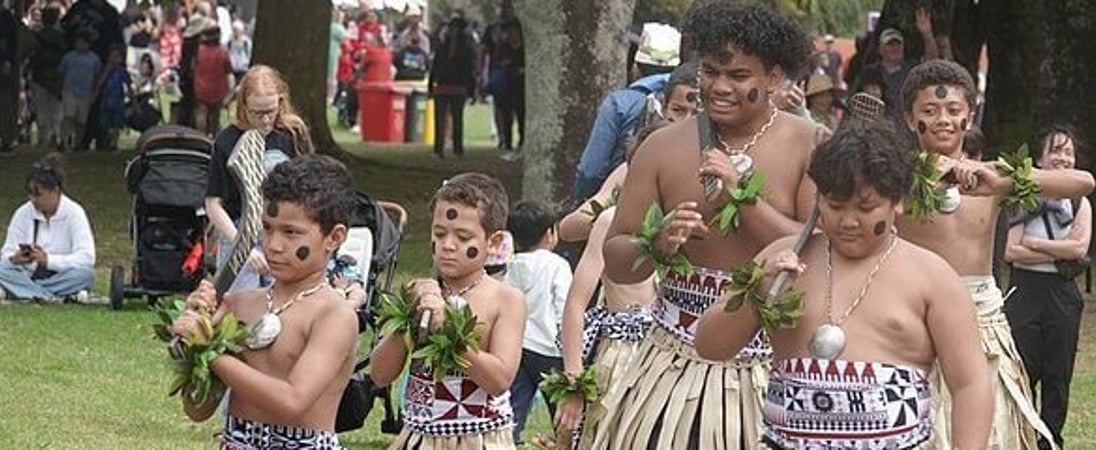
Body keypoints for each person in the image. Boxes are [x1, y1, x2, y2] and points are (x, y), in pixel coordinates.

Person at [589, 3, 818, 448]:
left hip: (769, 364)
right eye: (711, 72)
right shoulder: (661, 147)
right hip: (670, 365)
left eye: (737, 76)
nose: (719, 87)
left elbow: (813, 248)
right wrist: (655, 243)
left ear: (773, 78)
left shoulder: (807, 144)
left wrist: (741, 194)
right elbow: (616, 262)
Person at [694, 119, 993, 448]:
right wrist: (756, 295)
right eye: (834, 206)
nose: (848, 221)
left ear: (898, 202)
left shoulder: (931, 276)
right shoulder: (781, 260)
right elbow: (710, 346)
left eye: (866, 208)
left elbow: (970, 383)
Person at [894, 59, 1094, 449]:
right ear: (908, 118)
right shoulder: (895, 177)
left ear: (969, 117)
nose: (943, 120)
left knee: (990, 432)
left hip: (980, 323)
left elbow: (1083, 182)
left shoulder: (993, 176)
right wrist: (924, 174)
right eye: (929, 111)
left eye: (954, 110)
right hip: (913, 318)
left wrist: (1009, 179)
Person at [171, 155, 359, 449]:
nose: (273, 244)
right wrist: (194, 341)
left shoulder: (334, 315)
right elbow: (198, 410)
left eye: (291, 232)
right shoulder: (241, 304)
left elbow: (292, 401)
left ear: (334, 237)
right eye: (267, 228)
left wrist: (212, 351)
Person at [371, 173, 526, 449]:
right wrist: (408, 317)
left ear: (493, 242)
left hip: (478, 439)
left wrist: (448, 330)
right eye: (440, 233)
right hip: (418, 437)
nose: (448, 245)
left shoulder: (505, 299)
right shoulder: (419, 293)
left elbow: (499, 380)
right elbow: (380, 374)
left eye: (463, 237)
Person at [553, 122, 665, 445]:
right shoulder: (611, 220)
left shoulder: (691, 221)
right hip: (622, 356)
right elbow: (576, 304)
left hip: (672, 356)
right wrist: (574, 382)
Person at [1004, 127, 1091, 450]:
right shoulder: (1022, 196)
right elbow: (1011, 251)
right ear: (1039, 158)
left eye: (1069, 152)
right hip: (1025, 292)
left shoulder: (1079, 201)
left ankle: (1052, 441)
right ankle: (1020, 439)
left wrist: (1035, 243)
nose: (1063, 158)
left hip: (1062, 296)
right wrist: (1059, 248)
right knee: (1022, 372)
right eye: (1055, 151)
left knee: (1059, 374)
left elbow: (1080, 249)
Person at [205, 65, 314, 293]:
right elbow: (213, 204)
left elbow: (309, 188)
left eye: (271, 111)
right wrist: (242, 246)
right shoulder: (227, 140)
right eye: (257, 113)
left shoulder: (291, 134)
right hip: (239, 229)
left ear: (280, 103)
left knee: (282, 309)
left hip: (284, 228)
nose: (265, 121)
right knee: (240, 312)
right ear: (244, 106)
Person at [570, 57, 698, 205]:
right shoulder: (635, 165)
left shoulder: (619, 103)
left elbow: (590, 171)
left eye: (696, 113)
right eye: (677, 111)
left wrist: (580, 203)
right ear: (663, 106)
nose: (686, 122)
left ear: (635, 67)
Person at [503, 200, 572, 443]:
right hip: (549, 350)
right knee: (562, 413)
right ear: (549, 233)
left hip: (518, 348)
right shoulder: (557, 266)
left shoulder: (511, 266)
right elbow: (565, 307)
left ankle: (504, 442)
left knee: (513, 410)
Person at [0, 153, 95, 303]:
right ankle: (50, 297)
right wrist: (15, 258)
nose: (33, 199)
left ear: (55, 191)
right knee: (2, 269)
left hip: (61, 274)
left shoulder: (74, 213)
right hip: (27, 273)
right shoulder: (23, 213)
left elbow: (86, 258)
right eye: (30, 194)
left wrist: (48, 260)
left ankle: (24, 292)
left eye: (38, 194)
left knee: (86, 275)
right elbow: (6, 253)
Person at [853, 7, 938, 112]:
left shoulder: (912, 70)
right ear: (880, 49)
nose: (895, 48)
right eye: (890, 44)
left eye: (898, 44)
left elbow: (932, 62)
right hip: (879, 125)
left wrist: (927, 34)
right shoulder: (870, 73)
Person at [428, 12, 477, 158]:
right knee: (441, 119)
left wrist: (471, 89)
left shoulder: (464, 50)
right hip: (444, 86)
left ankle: (456, 148)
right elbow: (435, 67)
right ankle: (440, 149)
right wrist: (431, 85)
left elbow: (469, 71)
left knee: (456, 119)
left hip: (456, 87)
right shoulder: (443, 48)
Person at [25, 4, 67, 150]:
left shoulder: (36, 36)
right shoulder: (62, 37)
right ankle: (55, 134)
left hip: (40, 76)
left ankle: (45, 136)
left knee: (42, 108)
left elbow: (30, 55)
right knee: (56, 108)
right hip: (57, 76)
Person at [59, 29, 102, 151]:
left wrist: (95, 92)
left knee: (81, 121)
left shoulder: (94, 59)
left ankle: (77, 143)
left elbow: (96, 77)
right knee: (68, 116)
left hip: (86, 93)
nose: (81, 45)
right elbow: (62, 74)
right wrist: (61, 89)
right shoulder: (69, 57)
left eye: (84, 43)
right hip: (70, 91)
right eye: (78, 42)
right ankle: (63, 140)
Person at [193, 25, 232, 136]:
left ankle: (200, 135)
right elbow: (229, 68)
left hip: (201, 88)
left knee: (201, 112)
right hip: (218, 88)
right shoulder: (223, 52)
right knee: (216, 114)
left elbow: (193, 66)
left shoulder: (199, 50)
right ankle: (214, 136)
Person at [227, 20, 251, 85]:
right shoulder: (229, 42)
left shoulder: (246, 42)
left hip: (243, 67)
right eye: (234, 29)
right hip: (232, 68)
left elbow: (249, 53)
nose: (235, 32)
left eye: (237, 29)